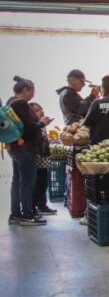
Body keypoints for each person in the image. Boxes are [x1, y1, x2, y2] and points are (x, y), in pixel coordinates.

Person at [6, 77, 53, 225]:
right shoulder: (21, 104)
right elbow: (29, 126)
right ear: (25, 90)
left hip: (14, 146)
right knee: (27, 182)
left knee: (17, 181)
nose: (33, 95)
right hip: (25, 147)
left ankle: (15, 214)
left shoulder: (10, 102)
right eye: (32, 91)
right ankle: (27, 214)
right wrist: (42, 123)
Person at [30, 103, 57, 216]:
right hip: (38, 160)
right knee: (37, 184)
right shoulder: (35, 125)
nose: (40, 111)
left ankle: (42, 205)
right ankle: (35, 206)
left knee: (43, 183)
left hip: (44, 160)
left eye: (40, 109)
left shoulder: (42, 125)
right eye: (36, 110)